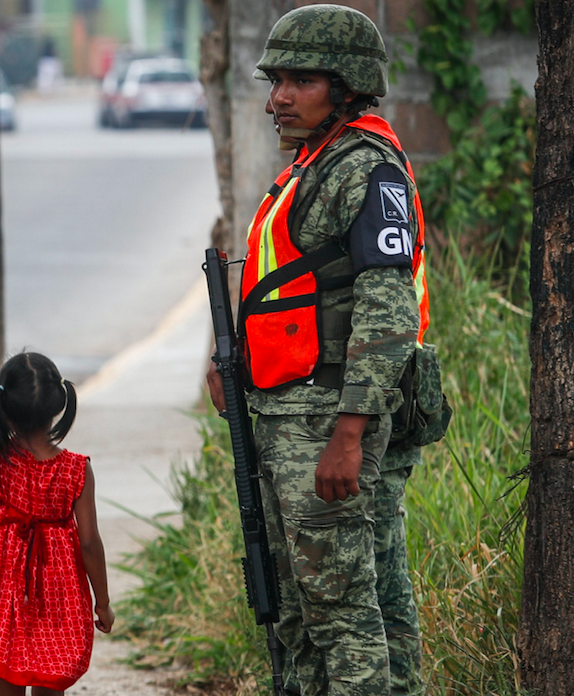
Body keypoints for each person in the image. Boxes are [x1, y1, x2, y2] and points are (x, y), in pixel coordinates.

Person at [206, 5, 429, 695]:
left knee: (338, 613)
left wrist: (349, 433)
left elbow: (385, 307)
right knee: (318, 608)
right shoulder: (315, 163)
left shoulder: (364, 168)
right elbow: (301, 287)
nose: (276, 97)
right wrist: (233, 367)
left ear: (346, 85)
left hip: (324, 421)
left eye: (297, 81)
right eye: (275, 80)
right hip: (293, 414)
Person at [0, 352, 114, 696]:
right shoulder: (77, 469)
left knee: (6, 662)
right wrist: (102, 601)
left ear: (2, 405)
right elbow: (90, 542)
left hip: (3, 587)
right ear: (58, 403)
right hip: (59, 591)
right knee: (51, 668)